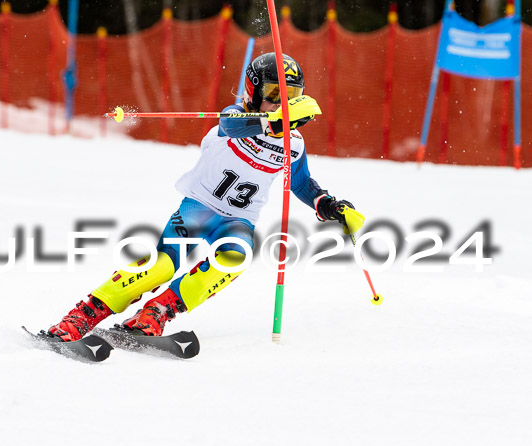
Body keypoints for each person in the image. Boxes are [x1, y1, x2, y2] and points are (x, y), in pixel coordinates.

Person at [47, 52, 363, 341]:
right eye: (272, 95)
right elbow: (229, 124)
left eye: (290, 98)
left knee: (234, 258)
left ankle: (155, 313)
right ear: (253, 92)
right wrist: (270, 123)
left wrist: (327, 205)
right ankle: (83, 315)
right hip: (199, 208)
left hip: (239, 219)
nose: (280, 104)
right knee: (161, 266)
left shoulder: (293, 143)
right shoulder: (237, 117)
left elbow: (301, 182)